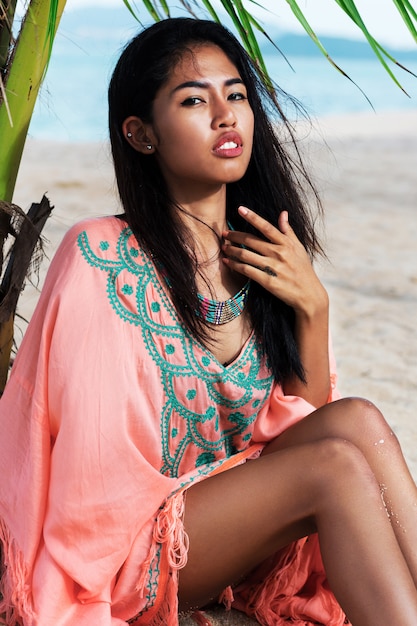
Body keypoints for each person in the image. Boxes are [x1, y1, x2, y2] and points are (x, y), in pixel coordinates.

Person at [1, 17, 417, 626]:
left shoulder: (262, 253)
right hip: (128, 551)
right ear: (141, 135)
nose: (227, 116)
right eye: (195, 99)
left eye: (238, 95)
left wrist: (313, 308)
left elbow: (297, 426)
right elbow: (91, 479)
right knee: (333, 468)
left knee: (357, 420)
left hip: (233, 533)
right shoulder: (102, 257)